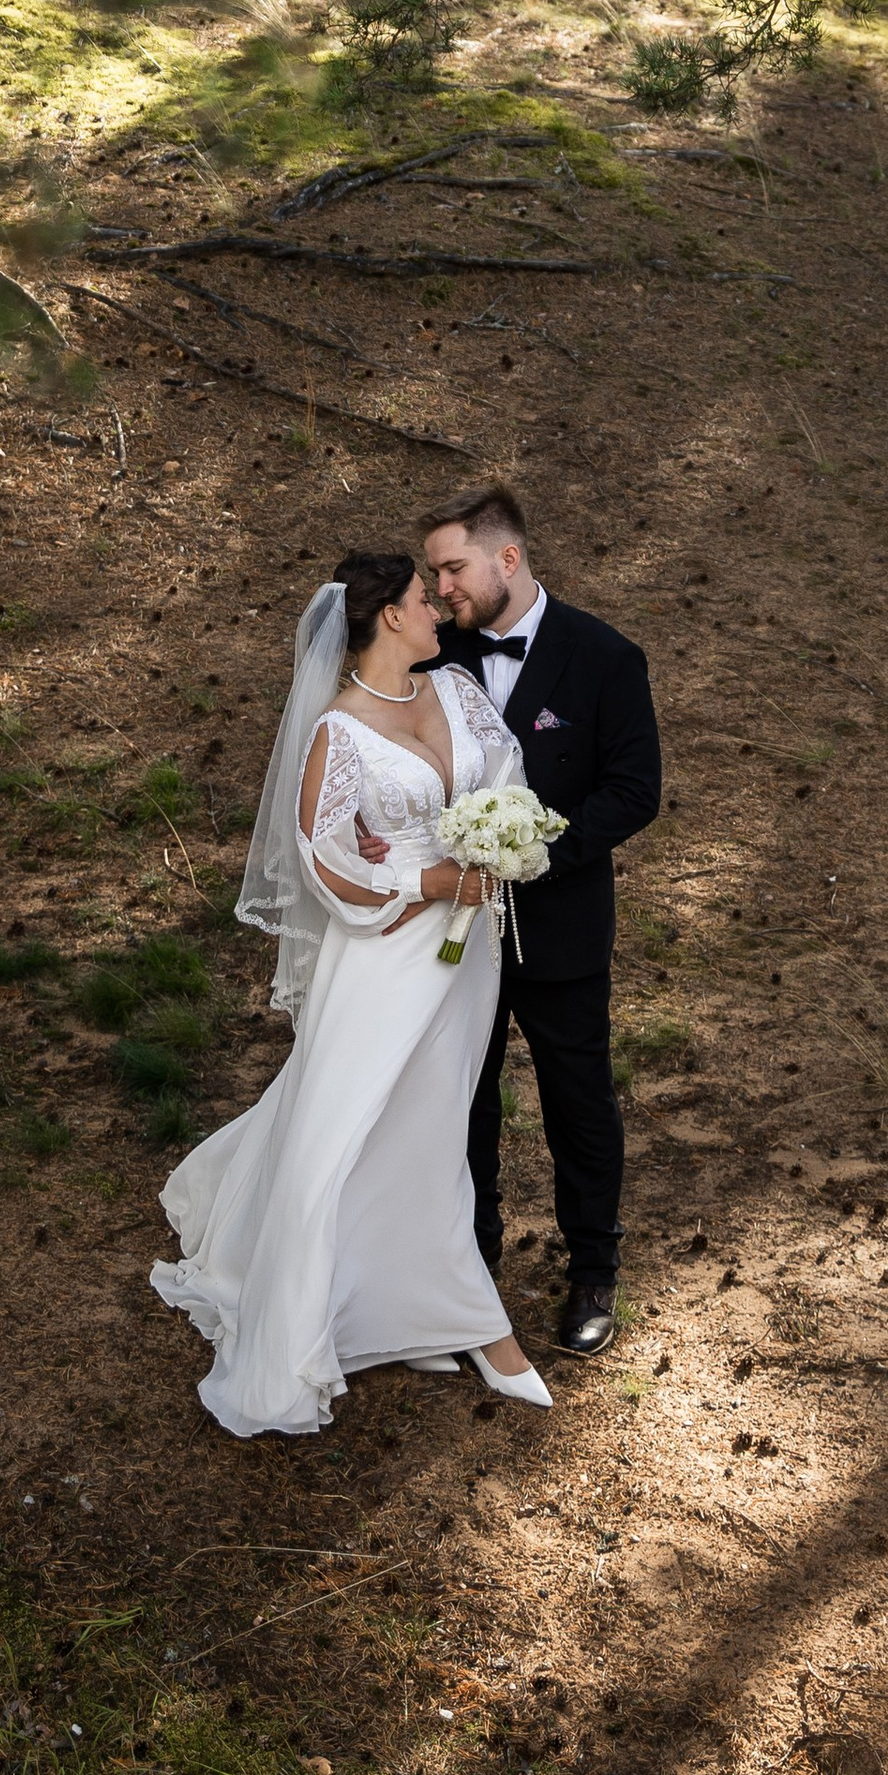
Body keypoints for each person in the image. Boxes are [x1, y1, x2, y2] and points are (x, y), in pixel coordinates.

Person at [149, 550, 553, 1436]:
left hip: (466, 954)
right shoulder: (337, 733)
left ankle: (406, 1310)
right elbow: (327, 862)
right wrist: (426, 883)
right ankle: (479, 1329)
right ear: (385, 618)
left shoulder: (457, 693)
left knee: (433, 1122)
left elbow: (508, 772)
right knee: (349, 1123)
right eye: (422, 598)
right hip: (384, 953)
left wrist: (498, 844)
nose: (440, 607)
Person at [421, 482, 661, 1358]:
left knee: (578, 1102)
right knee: (463, 1103)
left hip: (560, 928)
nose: (441, 588)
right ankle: (470, 1268)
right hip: (450, 936)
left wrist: (537, 852)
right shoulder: (428, 654)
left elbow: (636, 792)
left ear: (506, 559)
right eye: (435, 574)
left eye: (453, 568)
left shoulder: (605, 656)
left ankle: (594, 1269)